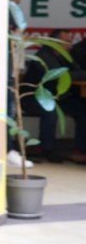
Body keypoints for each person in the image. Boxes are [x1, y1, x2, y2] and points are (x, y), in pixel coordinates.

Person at [20, 29, 86, 164]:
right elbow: (61, 76)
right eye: (66, 42)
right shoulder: (44, 56)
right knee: (51, 111)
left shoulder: (63, 56)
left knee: (82, 109)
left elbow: (77, 72)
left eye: (70, 42)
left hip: (55, 97)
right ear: (54, 42)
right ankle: (46, 148)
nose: (70, 45)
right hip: (32, 98)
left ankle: (79, 150)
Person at [7, 0, 33, 168]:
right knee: (8, 111)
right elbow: (20, 27)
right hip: (3, 71)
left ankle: (10, 149)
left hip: (10, 69)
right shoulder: (6, 9)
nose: (18, 2)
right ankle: (8, 150)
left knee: (11, 110)